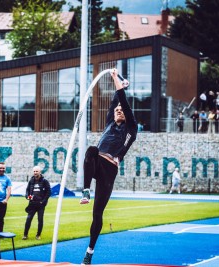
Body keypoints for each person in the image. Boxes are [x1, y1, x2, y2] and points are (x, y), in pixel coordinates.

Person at [80, 69, 137, 265]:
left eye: (122, 110)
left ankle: (89, 252)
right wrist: (119, 83)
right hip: (98, 162)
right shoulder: (108, 123)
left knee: (97, 214)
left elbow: (121, 99)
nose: (118, 110)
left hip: (109, 171)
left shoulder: (131, 128)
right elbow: (116, 100)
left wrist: (116, 78)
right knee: (91, 150)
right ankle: (86, 191)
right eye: (116, 109)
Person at [22, 166, 51, 240]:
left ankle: (38, 235)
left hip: (41, 204)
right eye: (34, 171)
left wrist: (43, 201)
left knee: (40, 220)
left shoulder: (45, 181)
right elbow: (27, 190)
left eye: (36, 171)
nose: (35, 173)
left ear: (40, 172)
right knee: (28, 219)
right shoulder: (31, 181)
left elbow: (48, 192)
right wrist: (27, 196)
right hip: (32, 203)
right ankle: (25, 235)